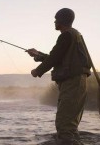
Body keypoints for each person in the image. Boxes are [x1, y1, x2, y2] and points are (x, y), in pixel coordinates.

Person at [26, 8, 91, 145]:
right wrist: (38, 54)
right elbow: (59, 58)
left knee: (64, 125)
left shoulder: (66, 35)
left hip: (73, 83)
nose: (54, 22)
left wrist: (37, 71)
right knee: (70, 126)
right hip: (77, 82)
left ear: (61, 20)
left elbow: (54, 58)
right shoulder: (75, 35)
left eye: (56, 19)